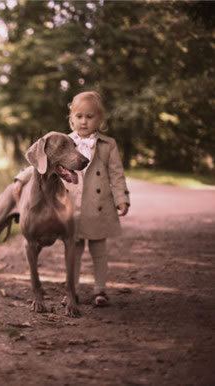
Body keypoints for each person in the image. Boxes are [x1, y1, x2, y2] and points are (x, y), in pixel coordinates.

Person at [13, 91, 130, 307]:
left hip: (98, 208)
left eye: (90, 116)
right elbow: (39, 166)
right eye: (79, 116)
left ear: (100, 120)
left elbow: (116, 173)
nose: (84, 121)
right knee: (73, 251)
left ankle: (100, 290)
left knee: (99, 251)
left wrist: (122, 198)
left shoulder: (108, 145)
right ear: (72, 119)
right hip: (71, 209)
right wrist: (20, 180)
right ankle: (72, 291)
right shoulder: (63, 141)